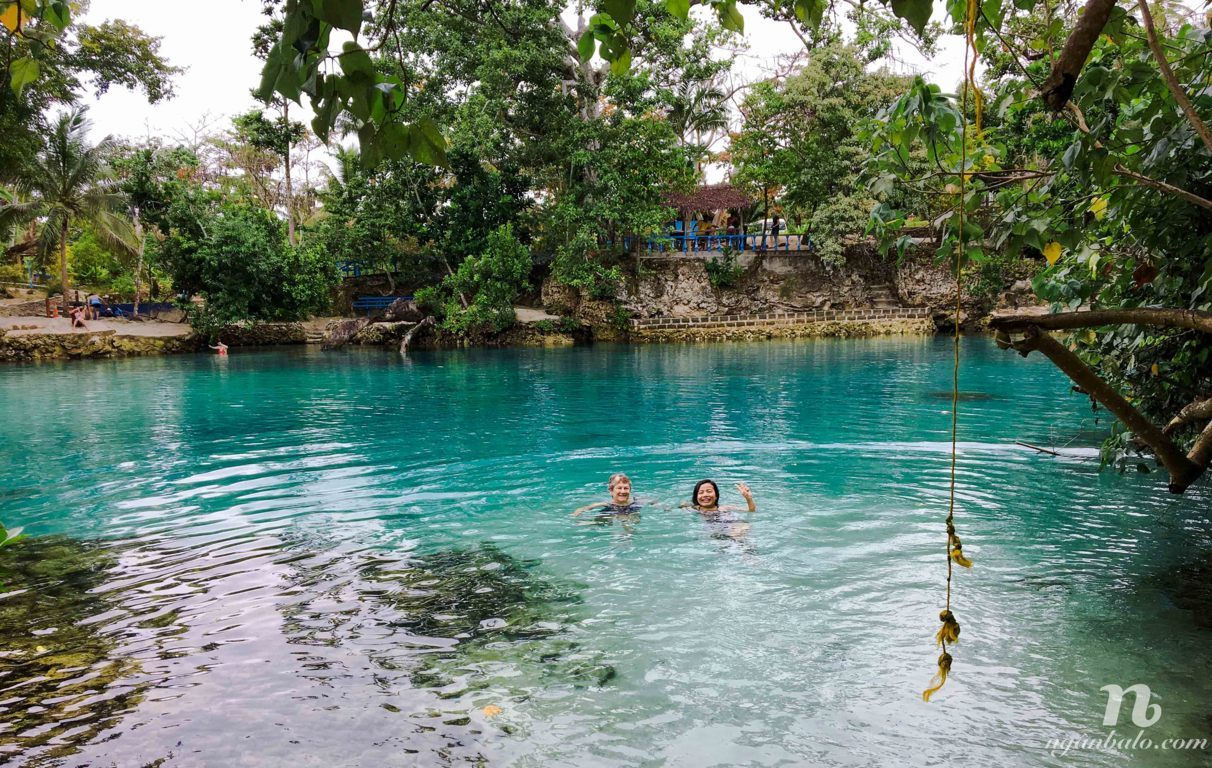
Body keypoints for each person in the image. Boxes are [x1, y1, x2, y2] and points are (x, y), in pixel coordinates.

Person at [572, 472, 642, 518]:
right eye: (619, 488)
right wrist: (579, 511)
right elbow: (586, 508)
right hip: (613, 513)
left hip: (631, 512)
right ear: (611, 490)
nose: (623, 491)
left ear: (630, 490)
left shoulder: (635, 502)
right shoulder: (608, 505)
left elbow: (651, 501)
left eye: (626, 488)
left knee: (634, 518)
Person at [684, 480, 756, 514]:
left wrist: (748, 498)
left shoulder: (725, 508)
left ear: (716, 496)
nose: (705, 495)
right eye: (701, 492)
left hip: (733, 525)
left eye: (709, 491)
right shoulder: (695, 508)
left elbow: (751, 511)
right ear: (696, 497)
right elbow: (681, 506)